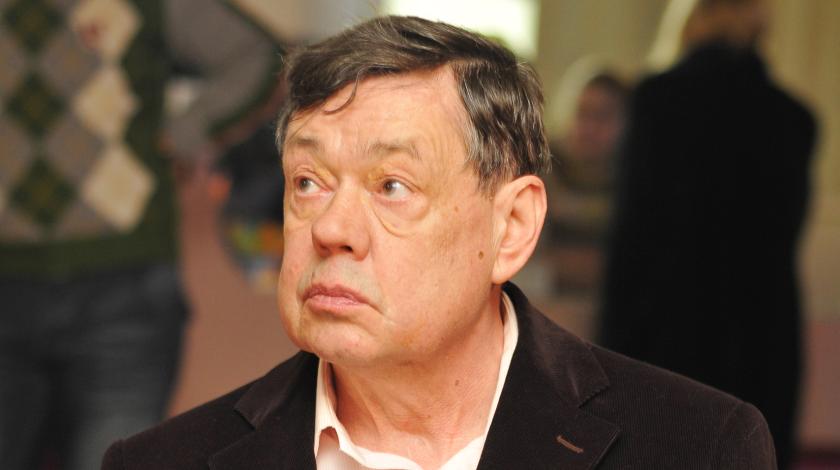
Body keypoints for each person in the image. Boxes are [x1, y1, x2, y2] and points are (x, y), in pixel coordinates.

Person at [102, 15, 776, 470]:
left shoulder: (699, 448)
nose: (330, 229)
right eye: (308, 182)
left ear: (512, 227)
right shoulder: (160, 463)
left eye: (392, 185)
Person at [0, 1, 282, 468]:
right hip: (9, 283)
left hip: (125, 287)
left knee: (114, 460)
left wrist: (184, 134)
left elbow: (256, 57)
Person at [598, 1, 816, 468]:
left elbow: (635, 241)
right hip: (763, 334)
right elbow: (785, 237)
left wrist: (610, 350)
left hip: (669, 330)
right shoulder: (794, 118)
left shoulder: (657, 101)